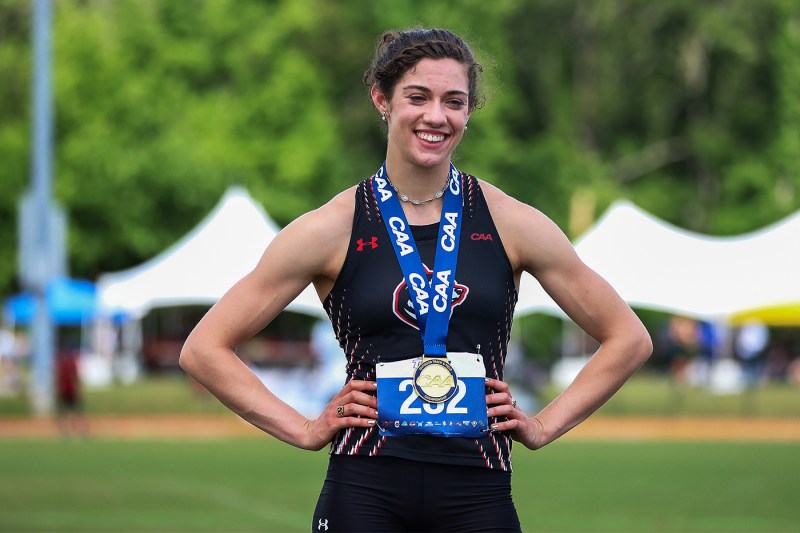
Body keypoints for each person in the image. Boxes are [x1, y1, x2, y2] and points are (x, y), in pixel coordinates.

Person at [179, 27, 652, 532]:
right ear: (381, 99)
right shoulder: (329, 228)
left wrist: (543, 425)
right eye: (418, 97)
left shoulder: (512, 223)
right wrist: (304, 428)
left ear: (469, 112)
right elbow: (203, 349)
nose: (436, 116)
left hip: (479, 489)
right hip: (364, 488)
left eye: (455, 101)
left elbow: (628, 338)